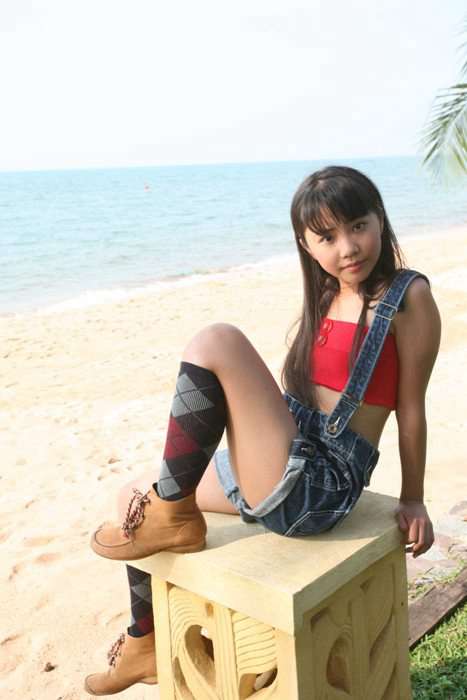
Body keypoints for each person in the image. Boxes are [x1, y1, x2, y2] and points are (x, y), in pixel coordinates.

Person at [84, 165, 441, 695]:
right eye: (327, 237)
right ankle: (144, 643)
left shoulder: (408, 297)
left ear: (380, 220)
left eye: (358, 226)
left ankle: (175, 518)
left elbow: (411, 408)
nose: (348, 247)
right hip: (283, 459)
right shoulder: (327, 295)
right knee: (133, 496)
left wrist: (413, 498)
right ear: (306, 246)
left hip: (321, 484)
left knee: (217, 340)